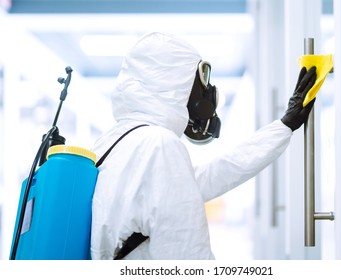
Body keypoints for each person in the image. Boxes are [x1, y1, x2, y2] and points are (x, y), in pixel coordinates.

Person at [90, 32, 316, 260]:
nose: (206, 92)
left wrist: (284, 126)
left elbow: (214, 174)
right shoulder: (159, 145)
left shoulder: (118, 140)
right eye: (199, 80)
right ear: (175, 83)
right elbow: (189, 256)